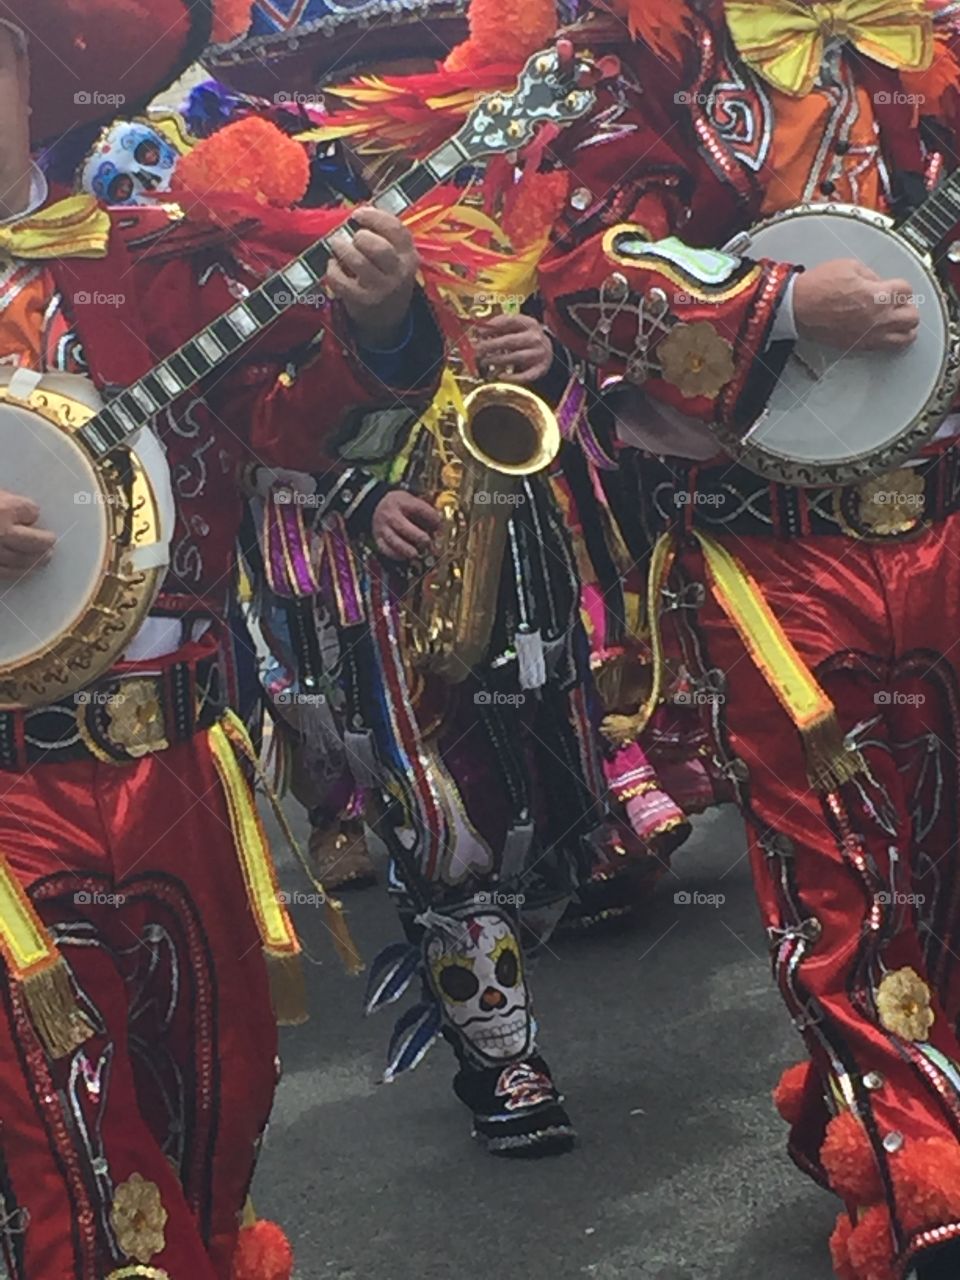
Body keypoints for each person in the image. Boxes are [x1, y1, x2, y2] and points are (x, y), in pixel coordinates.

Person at [0, 2, 442, 1275]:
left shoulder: (163, 261)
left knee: (222, 1097)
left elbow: (308, 438)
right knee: (78, 1151)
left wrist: (382, 330)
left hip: (182, 762)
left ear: (34, 67)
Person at [531, 1, 960, 1277]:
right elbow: (580, 264)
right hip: (772, 542)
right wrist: (776, 302)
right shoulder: (647, 48)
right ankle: (923, 1179)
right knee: (842, 867)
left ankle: (875, 1099)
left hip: (947, 519)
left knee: (939, 855)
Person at [209, 0, 621, 1156]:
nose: (419, 101)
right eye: (386, 83)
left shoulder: (509, 204)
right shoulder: (277, 236)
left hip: (511, 535)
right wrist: (351, 497)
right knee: (435, 816)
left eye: (436, 76)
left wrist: (553, 355)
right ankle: (504, 1058)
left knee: (556, 803)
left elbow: (572, 372)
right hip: (361, 576)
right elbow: (241, 427)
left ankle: (512, 962)